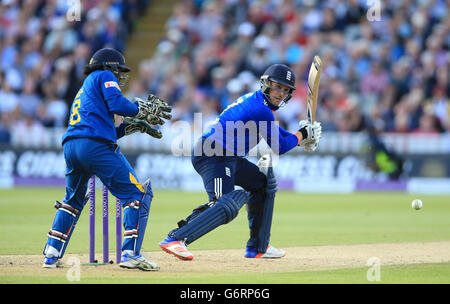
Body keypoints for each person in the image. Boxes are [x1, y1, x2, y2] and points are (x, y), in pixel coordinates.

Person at [158, 63, 321, 260]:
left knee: (263, 184)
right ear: (266, 84)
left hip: (230, 157)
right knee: (226, 204)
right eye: (277, 87)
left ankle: (258, 247)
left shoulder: (260, 105)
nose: (280, 93)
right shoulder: (260, 109)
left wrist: (301, 136)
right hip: (212, 155)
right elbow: (280, 146)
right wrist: (302, 135)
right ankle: (176, 238)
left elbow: (280, 134)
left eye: (285, 90)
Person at [42, 48, 172, 271]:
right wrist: (141, 110)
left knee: (72, 200)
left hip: (72, 146)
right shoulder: (104, 75)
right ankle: (130, 253)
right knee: (137, 194)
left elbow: (106, 127)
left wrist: (133, 125)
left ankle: (51, 254)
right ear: (110, 67)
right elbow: (119, 105)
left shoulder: (87, 88)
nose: (119, 77)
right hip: (94, 147)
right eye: (118, 72)